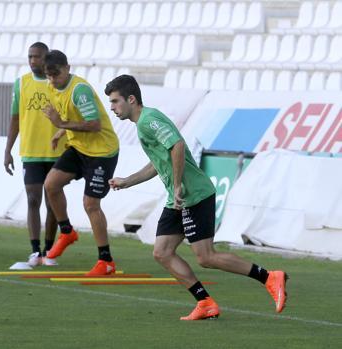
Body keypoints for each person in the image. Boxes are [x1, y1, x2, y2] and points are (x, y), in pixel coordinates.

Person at [105, 74, 288, 320]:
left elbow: (177, 145)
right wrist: (128, 180)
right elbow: (159, 162)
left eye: (115, 102)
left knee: (206, 256)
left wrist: (179, 185)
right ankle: (205, 302)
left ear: (131, 99)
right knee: (162, 252)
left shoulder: (149, 120)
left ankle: (269, 277)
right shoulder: (143, 124)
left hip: (193, 195)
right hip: (178, 199)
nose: (113, 108)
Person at [41, 50, 120, 276]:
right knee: (51, 185)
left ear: (67, 68)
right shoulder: (52, 87)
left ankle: (106, 261)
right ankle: (67, 232)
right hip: (79, 147)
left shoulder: (80, 91)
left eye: (56, 74)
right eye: (49, 75)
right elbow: (68, 118)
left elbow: (94, 124)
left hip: (102, 152)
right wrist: (60, 131)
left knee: (90, 204)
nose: (52, 80)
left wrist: (62, 124)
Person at [4, 42, 64, 267]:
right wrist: (8, 150)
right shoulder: (21, 83)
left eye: (37, 57)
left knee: (52, 204)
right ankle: (34, 251)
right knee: (32, 199)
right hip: (30, 151)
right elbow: (15, 118)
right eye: (30, 56)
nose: (32, 61)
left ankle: (49, 250)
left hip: (56, 151)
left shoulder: (57, 83)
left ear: (46, 57)